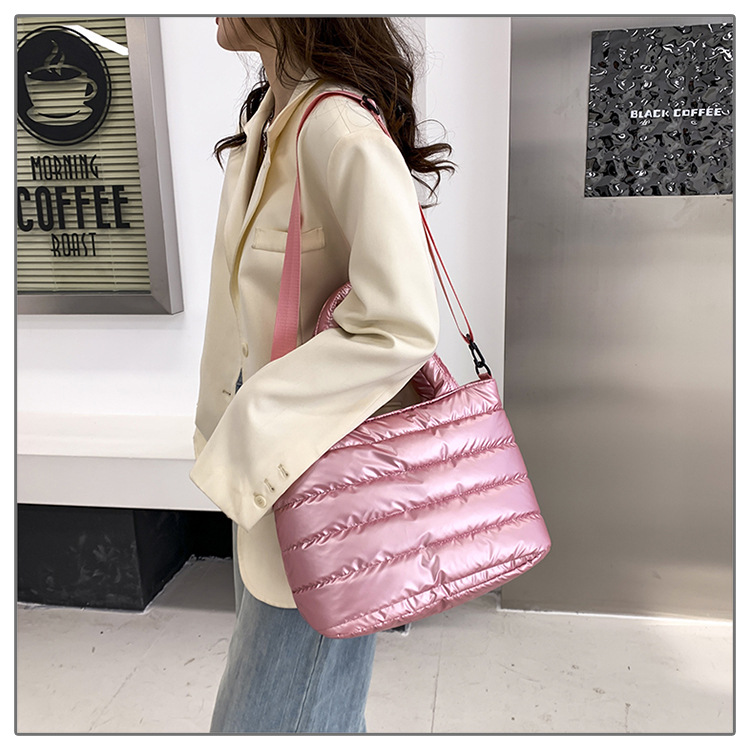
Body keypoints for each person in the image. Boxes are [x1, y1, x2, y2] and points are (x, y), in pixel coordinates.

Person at [190, 17, 454, 733]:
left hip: (326, 489)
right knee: (316, 713)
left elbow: (400, 323)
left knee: (270, 724)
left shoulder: (338, 129)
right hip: (272, 478)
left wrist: (258, 413)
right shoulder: (268, 122)